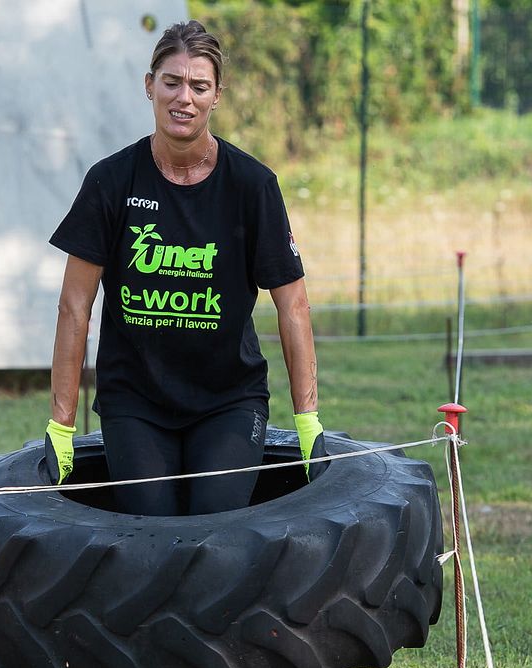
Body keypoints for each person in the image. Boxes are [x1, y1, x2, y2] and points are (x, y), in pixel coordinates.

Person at [44, 20, 323, 516]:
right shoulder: (110, 181)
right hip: (135, 401)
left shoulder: (253, 186)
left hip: (228, 400)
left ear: (217, 95)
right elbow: (74, 306)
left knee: (216, 521)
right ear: (149, 85)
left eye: (199, 86)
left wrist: (308, 423)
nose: (184, 98)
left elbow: (294, 305)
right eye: (171, 82)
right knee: (151, 525)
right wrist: (61, 427)